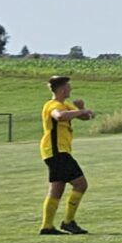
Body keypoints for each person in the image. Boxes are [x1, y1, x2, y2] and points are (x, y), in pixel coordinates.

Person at [38, 75, 94, 234]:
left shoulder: (65, 105)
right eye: (68, 86)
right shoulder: (53, 105)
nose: (71, 89)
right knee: (81, 184)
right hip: (57, 151)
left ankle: (47, 226)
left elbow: (85, 117)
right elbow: (60, 116)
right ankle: (68, 222)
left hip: (55, 152)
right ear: (62, 89)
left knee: (56, 189)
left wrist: (82, 109)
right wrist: (80, 111)